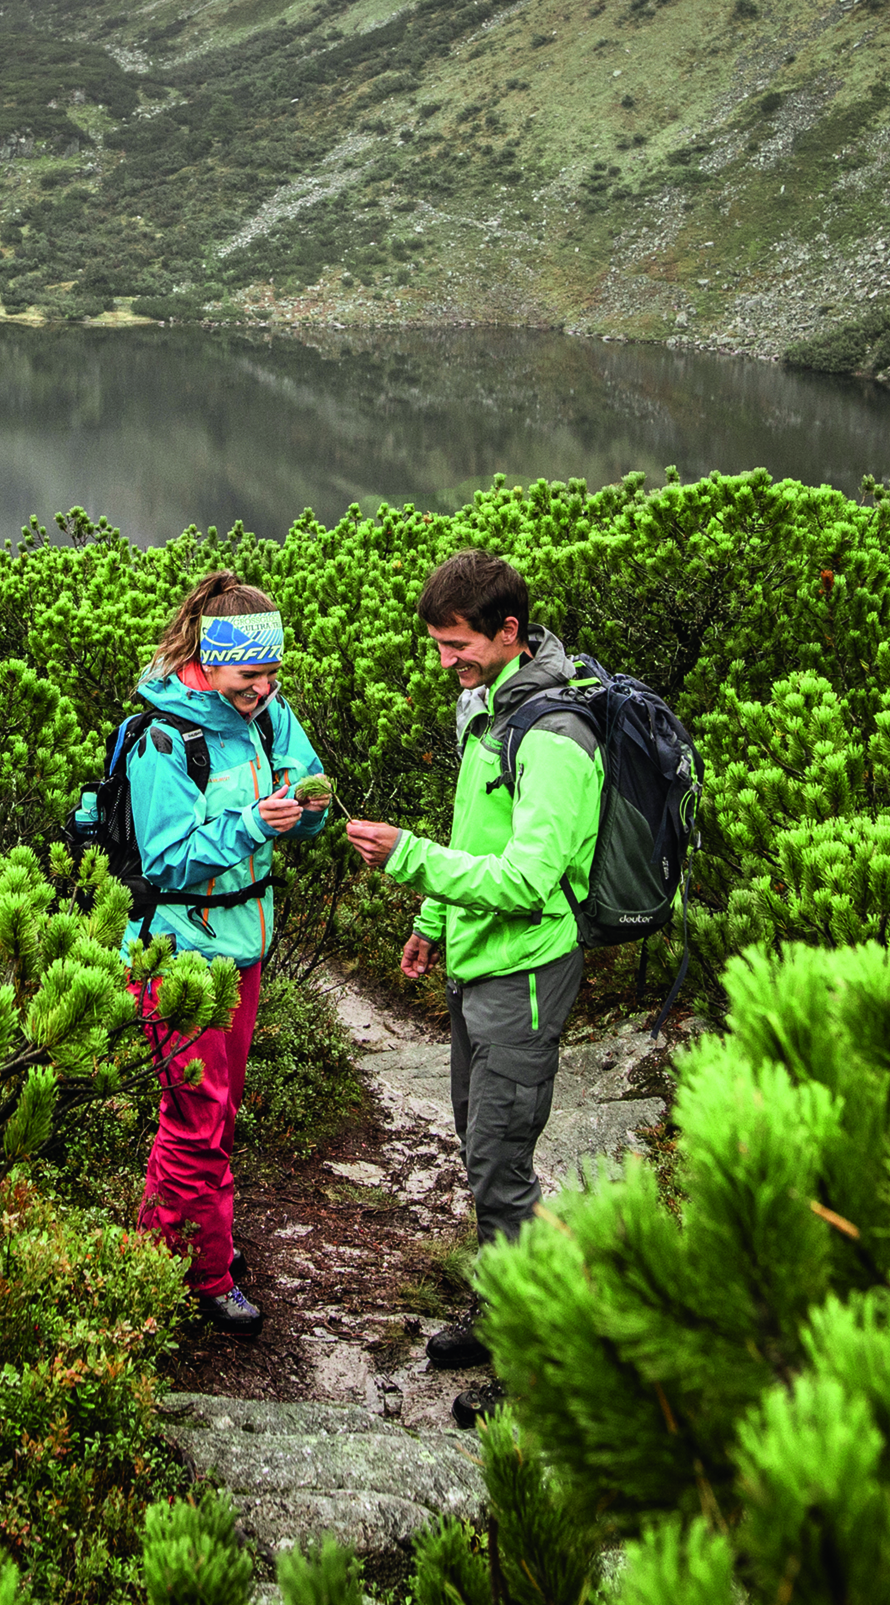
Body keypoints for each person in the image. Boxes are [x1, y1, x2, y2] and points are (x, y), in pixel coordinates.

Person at [342, 549, 598, 1373]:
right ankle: (498, 1310)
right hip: (480, 961)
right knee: (482, 1148)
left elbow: (526, 881)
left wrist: (407, 857)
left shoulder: (552, 737)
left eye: (457, 646)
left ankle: (523, 1356)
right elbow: (476, 834)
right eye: (437, 645)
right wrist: (432, 919)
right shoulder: (491, 708)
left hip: (525, 971)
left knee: (500, 1163)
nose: (445, 662)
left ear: (508, 631)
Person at [107, 570, 330, 1336]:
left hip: (243, 949)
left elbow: (303, 797)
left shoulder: (269, 715)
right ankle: (200, 1276)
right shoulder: (166, 739)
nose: (263, 690)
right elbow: (166, 858)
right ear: (207, 660)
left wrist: (306, 810)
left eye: (273, 672)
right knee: (196, 1120)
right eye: (248, 675)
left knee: (215, 1113)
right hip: (180, 957)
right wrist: (255, 824)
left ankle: (173, 1244)